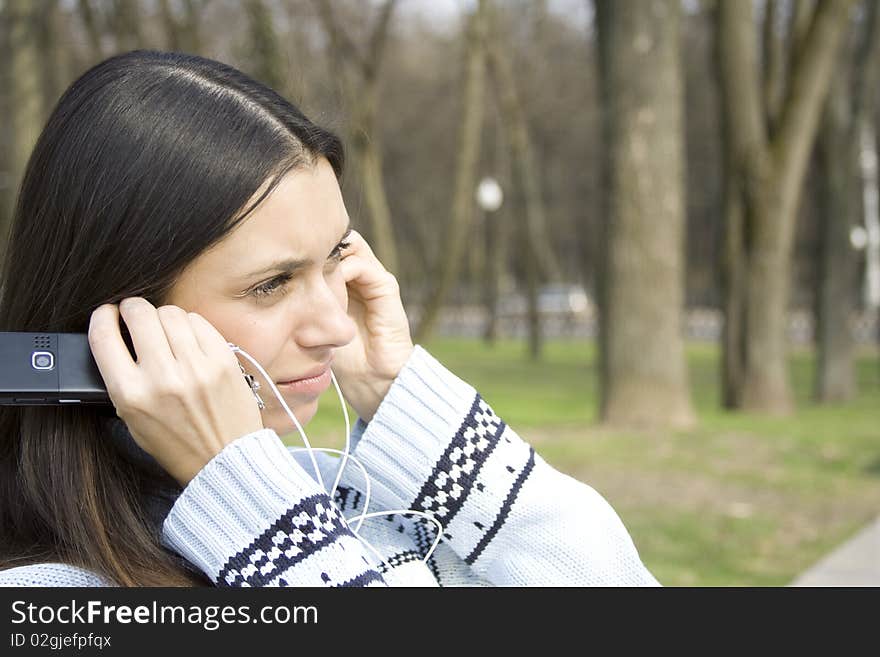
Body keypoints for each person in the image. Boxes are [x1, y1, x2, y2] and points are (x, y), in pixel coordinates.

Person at [0, 50, 658, 588]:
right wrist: (252, 506)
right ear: (114, 327)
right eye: (273, 283)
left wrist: (413, 414)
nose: (337, 325)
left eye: (337, 257)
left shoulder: (372, 504)